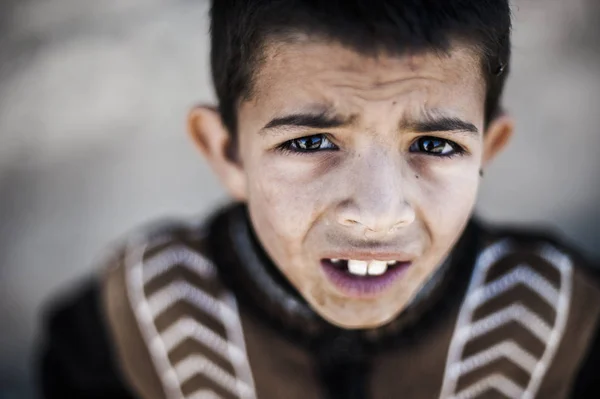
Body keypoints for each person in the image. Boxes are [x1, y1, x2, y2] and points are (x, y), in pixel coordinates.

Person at [39, 1, 600, 398]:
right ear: (227, 153)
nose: (378, 214)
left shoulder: (560, 320)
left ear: (489, 149)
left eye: (434, 144)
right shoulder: (143, 311)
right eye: (310, 142)